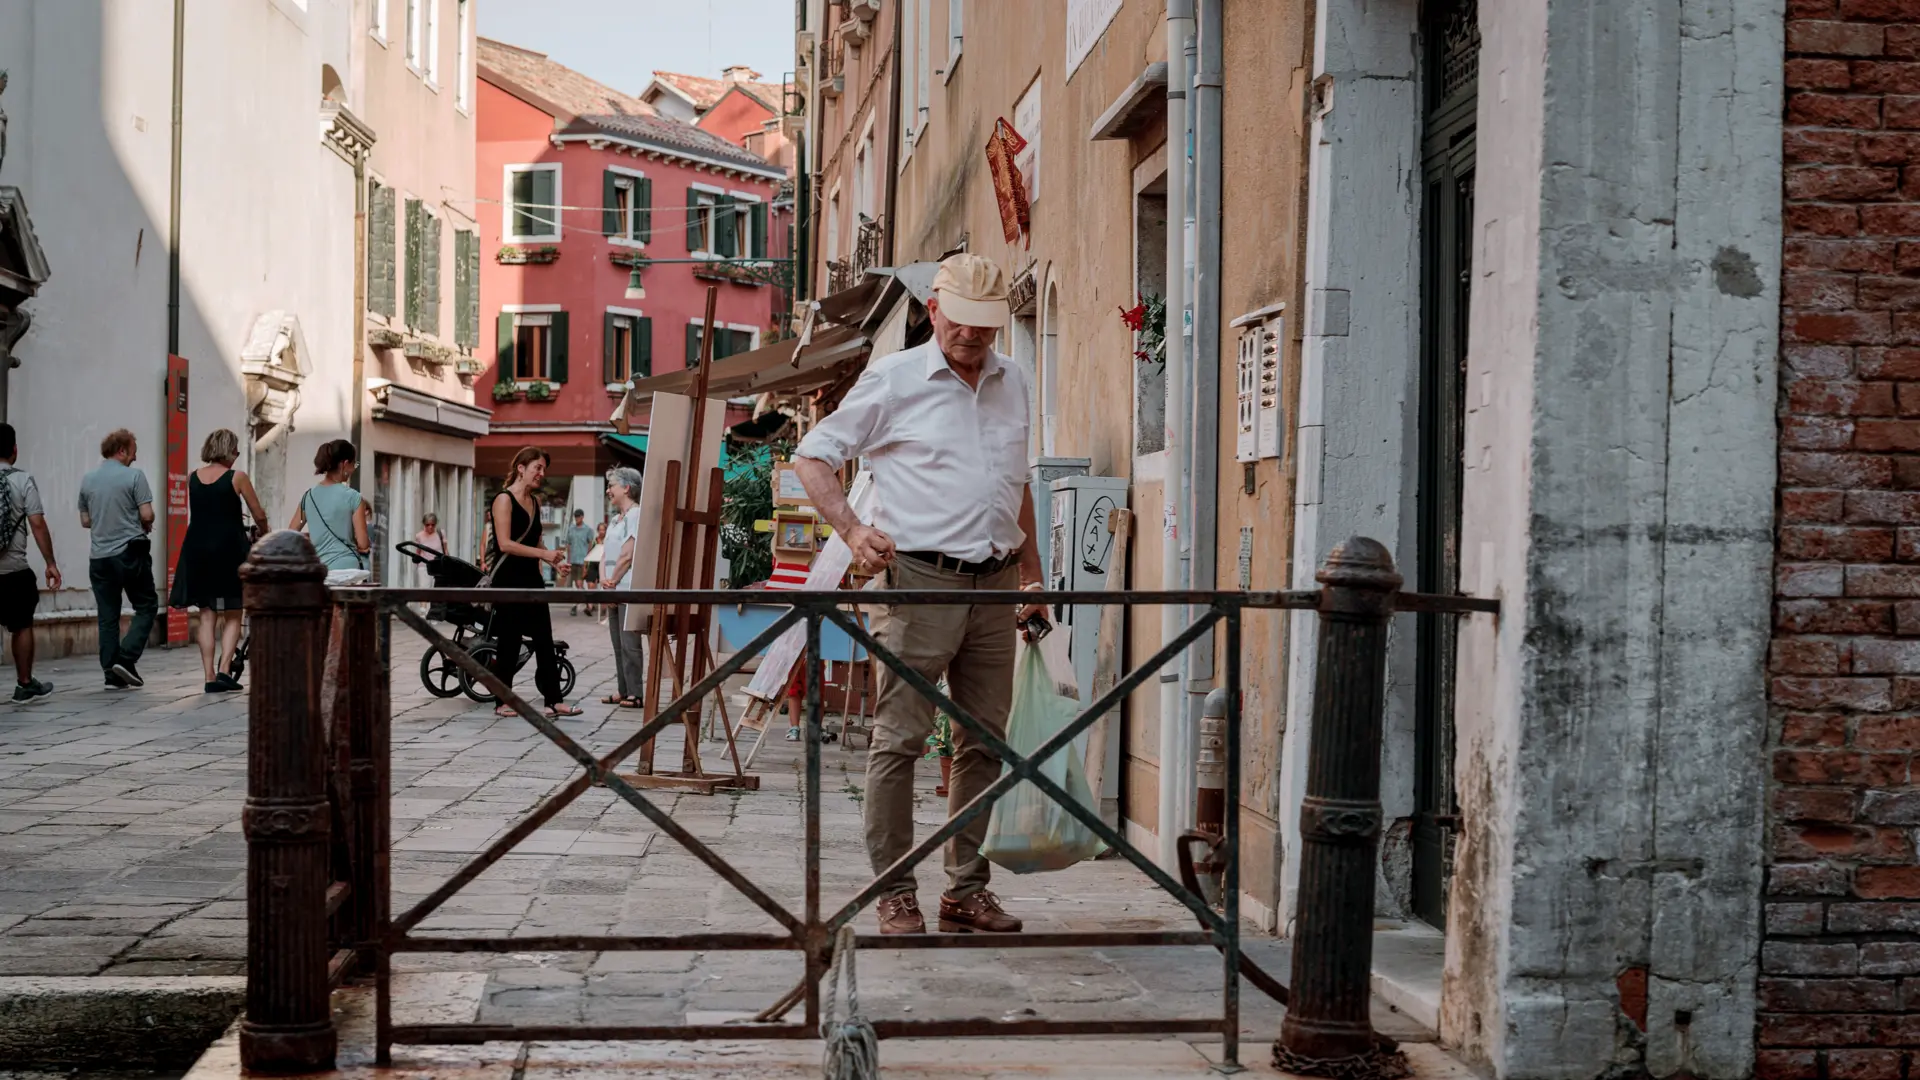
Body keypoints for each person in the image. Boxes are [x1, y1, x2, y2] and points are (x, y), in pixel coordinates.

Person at [794, 252, 1048, 937]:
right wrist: (850, 529)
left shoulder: (1014, 381)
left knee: (983, 743)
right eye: (961, 321)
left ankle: (966, 889)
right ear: (934, 309)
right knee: (900, 739)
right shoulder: (894, 378)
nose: (973, 337)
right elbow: (812, 456)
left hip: (995, 586)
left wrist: (1032, 574)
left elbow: (1013, 487)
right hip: (917, 580)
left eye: (986, 327)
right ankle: (894, 892)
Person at [168, 429, 268, 693]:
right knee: (235, 611)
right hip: (229, 548)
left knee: (206, 614)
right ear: (228, 451)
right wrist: (264, 531)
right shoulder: (238, 477)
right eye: (235, 451)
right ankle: (225, 670)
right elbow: (258, 513)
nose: (236, 456)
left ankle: (209, 676)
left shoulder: (192, 478)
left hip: (197, 548)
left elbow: (206, 512)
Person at [486, 447, 581, 720]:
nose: (541, 474)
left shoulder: (535, 502)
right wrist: (544, 554)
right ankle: (502, 701)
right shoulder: (504, 500)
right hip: (508, 579)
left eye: (543, 470)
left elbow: (535, 541)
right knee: (510, 641)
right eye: (537, 468)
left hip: (532, 577)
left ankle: (554, 700)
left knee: (544, 638)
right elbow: (504, 544)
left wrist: (554, 562)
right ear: (521, 468)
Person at [78, 428, 158, 690]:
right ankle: (126, 658)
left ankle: (111, 675)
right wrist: (140, 521)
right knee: (147, 604)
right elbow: (147, 515)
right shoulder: (135, 476)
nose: (135, 458)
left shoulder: (88, 480)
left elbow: (86, 520)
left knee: (108, 616)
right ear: (122, 450)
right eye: (133, 452)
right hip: (129, 552)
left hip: (99, 557)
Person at [0, 424, 59, 702]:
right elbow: (37, 524)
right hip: (14, 571)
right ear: (14, 450)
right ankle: (24, 683)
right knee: (22, 624)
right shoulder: (23, 480)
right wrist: (50, 562)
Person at [597, 467, 645, 708]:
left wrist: (613, 580)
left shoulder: (636, 515)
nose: (608, 490)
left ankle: (636, 692)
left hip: (626, 586)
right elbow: (605, 553)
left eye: (612, 485)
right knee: (617, 643)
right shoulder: (616, 519)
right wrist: (605, 580)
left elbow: (628, 553)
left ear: (626, 488)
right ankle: (623, 689)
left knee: (630, 643)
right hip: (614, 586)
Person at [289, 440, 370, 573]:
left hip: (320, 571)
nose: (354, 469)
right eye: (353, 464)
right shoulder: (354, 497)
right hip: (348, 569)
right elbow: (363, 544)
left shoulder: (308, 497)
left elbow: (291, 534)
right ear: (344, 464)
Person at [566, 509, 594, 615]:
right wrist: (568, 560)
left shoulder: (587, 530)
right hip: (573, 560)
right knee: (578, 585)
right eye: (575, 517)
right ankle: (587, 604)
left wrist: (587, 560)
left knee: (579, 583)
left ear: (582, 517)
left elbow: (590, 545)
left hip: (583, 560)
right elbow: (569, 544)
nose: (576, 518)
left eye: (578, 516)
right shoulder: (571, 529)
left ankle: (578, 606)